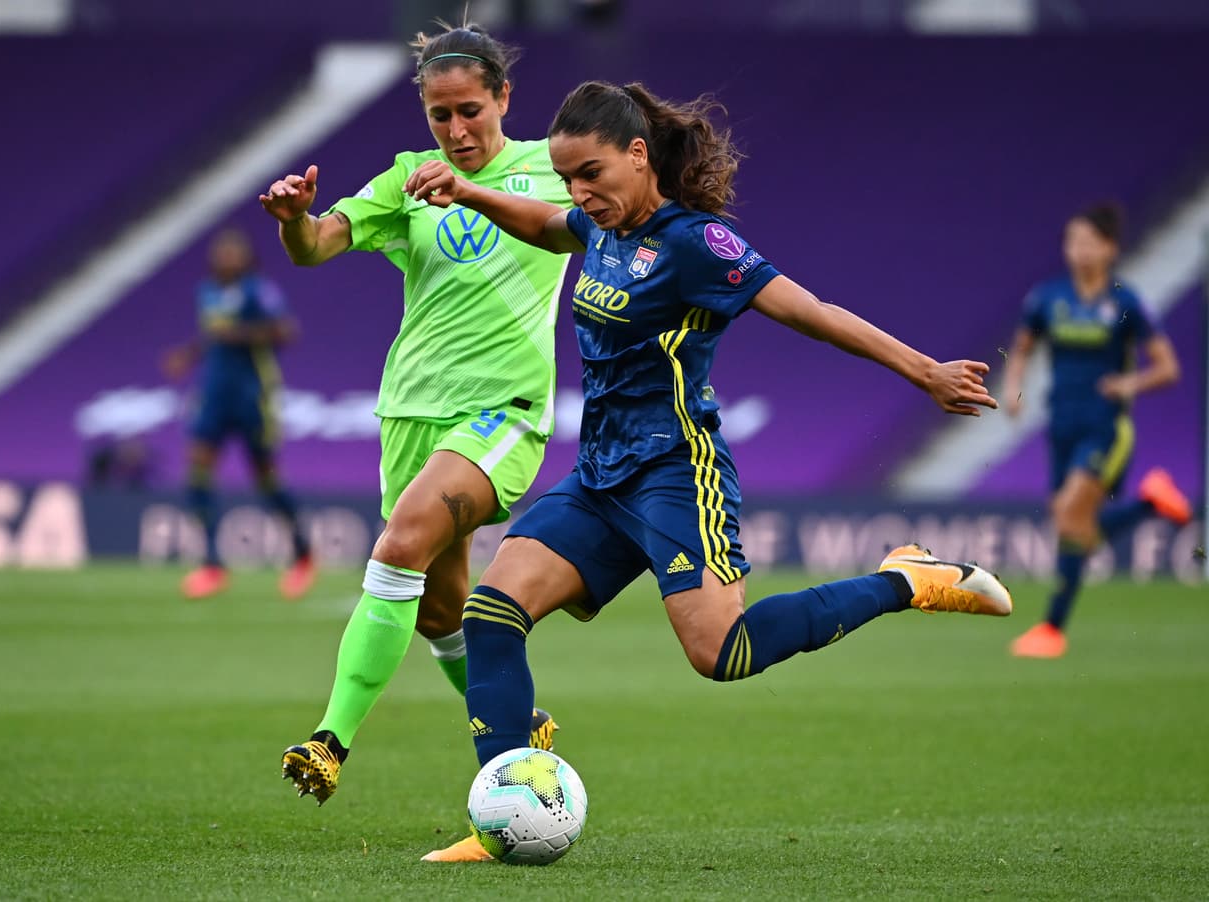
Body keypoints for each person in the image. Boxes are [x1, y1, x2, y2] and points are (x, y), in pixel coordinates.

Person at [403, 80, 1015, 862]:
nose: (579, 193)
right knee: (491, 616)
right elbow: (547, 226)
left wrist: (924, 371)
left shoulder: (698, 245)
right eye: (567, 180)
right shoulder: (598, 226)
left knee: (719, 655)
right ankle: (503, 816)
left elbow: (812, 310)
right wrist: (469, 191)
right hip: (599, 477)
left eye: (590, 173)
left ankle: (906, 580)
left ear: (637, 155)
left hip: (674, 474)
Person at [257, 23, 571, 806]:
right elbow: (317, 246)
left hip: (506, 411)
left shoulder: (550, 171)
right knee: (437, 612)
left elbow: (605, 225)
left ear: (504, 96)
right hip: (410, 412)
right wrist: (297, 217)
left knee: (398, 546)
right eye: (440, 116)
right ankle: (517, 729)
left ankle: (329, 741)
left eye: (470, 110)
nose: (457, 131)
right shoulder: (408, 180)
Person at [1003, 203, 1188, 659]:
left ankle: (1051, 628)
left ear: (1110, 248)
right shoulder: (1048, 297)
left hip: (1105, 427)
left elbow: (1168, 368)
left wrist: (1130, 382)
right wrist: (1013, 387)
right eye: (1072, 241)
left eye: (1088, 242)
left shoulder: (1125, 303)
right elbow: (1022, 349)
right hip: (1060, 423)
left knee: (1069, 516)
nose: (1079, 250)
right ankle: (1151, 504)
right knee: (1074, 528)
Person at [162, 227, 315, 601]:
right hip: (214, 393)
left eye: (233, 252)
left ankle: (302, 554)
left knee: (265, 477)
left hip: (252, 394)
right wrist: (190, 353)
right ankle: (212, 564)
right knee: (197, 468)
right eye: (221, 252)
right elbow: (213, 335)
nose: (226, 258)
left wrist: (240, 334)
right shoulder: (207, 292)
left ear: (246, 259)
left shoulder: (258, 290)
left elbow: (285, 332)